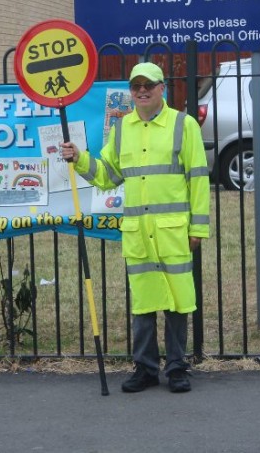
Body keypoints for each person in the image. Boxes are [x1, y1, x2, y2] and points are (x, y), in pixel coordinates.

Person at [60, 62, 210, 394]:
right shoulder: (123, 128)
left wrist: (198, 227)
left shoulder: (183, 125)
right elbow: (108, 175)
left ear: (162, 88)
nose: (142, 90)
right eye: (135, 86)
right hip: (139, 233)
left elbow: (198, 179)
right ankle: (144, 368)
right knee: (143, 302)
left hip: (173, 230)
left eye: (148, 85)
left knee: (176, 302)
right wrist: (80, 159)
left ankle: (176, 368)